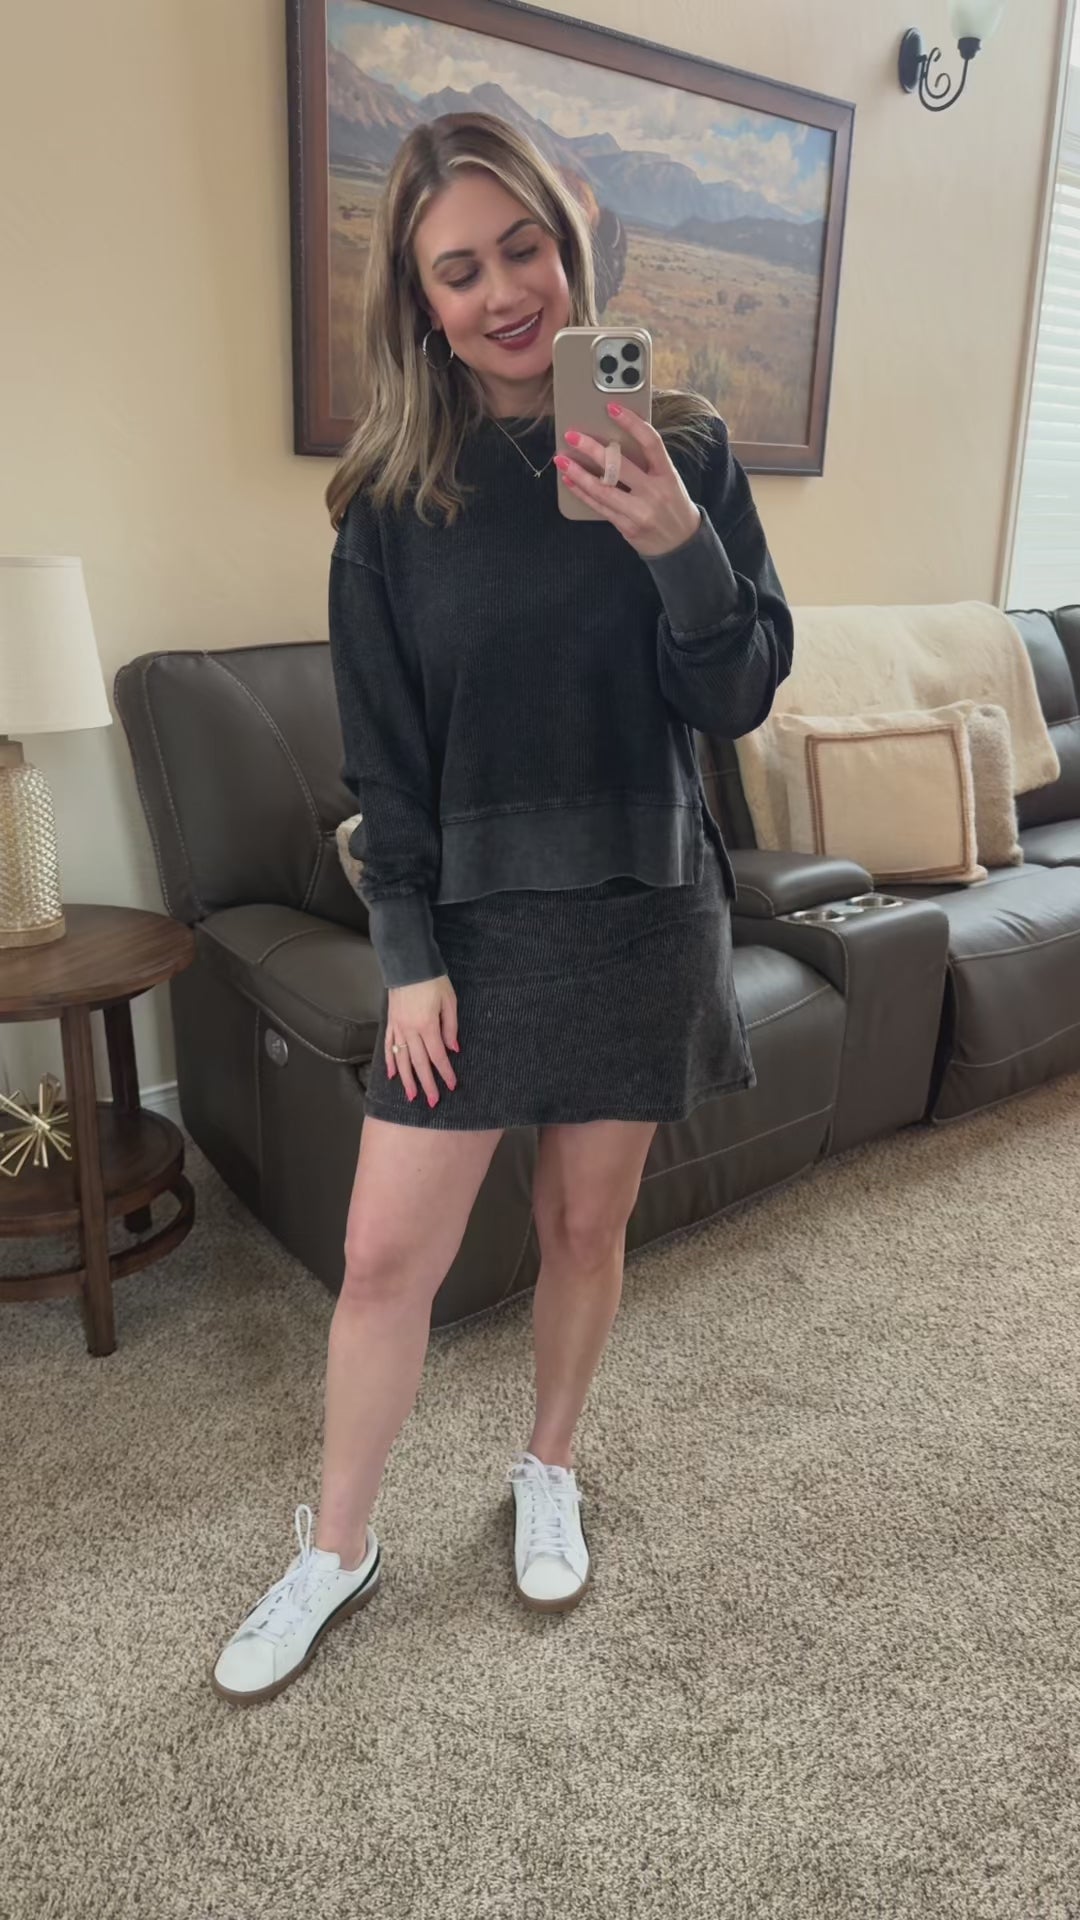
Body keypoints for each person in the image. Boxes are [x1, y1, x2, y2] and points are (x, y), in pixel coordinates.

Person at [212, 111, 794, 1706]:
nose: (502, 293)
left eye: (522, 249)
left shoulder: (689, 452)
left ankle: (550, 1467)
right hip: (468, 936)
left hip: (641, 904)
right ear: (422, 300)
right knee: (381, 1257)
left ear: (570, 241)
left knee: (583, 1228)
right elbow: (384, 762)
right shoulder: (390, 504)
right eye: (458, 270)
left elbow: (738, 693)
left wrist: (676, 542)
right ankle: (339, 1547)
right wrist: (407, 959)